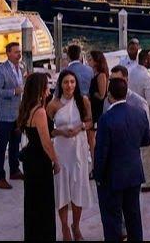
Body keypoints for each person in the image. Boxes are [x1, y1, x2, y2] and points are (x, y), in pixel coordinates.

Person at [94, 76, 150, 242]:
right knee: (134, 217)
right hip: (133, 173)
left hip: (113, 177)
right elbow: (146, 140)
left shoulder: (106, 119)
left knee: (113, 219)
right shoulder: (139, 113)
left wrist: (98, 175)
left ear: (109, 95)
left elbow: (101, 151)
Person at [48, 70, 93, 241]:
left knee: (77, 187)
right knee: (61, 187)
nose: (69, 86)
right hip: (61, 148)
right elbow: (47, 130)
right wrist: (60, 131)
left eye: (72, 82)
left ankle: (76, 225)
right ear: (60, 84)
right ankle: (64, 226)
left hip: (78, 149)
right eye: (66, 82)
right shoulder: (53, 105)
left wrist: (80, 127)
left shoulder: (83, 101)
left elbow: (90, 121)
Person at [18, 72, 59, 240]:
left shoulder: (26, 108)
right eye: (47, 86)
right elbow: (46, 142)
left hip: (30, 158)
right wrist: (56, 161)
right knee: (44, 202)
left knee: (32, 200)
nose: (49, 89)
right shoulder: (40, 112)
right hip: (39, 160)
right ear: (40, 89)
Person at [128, 47, 150, 192]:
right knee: (148, 152)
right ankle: (147, 181)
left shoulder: (131, 72)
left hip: (132, 117)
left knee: (137, 151)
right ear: (146, 59)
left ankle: (137, 177)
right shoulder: (146, 77)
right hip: (147, 120)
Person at [0, 42, 24, 189]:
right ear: (8, 54)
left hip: (17, 114)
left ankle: (15, 170)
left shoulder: (21, 69)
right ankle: (0, 176)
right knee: (1, 146)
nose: (19, 54)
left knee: (15, 144)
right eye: (16, 52)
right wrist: (13, 92)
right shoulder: (1, 71)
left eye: (19, 51)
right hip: (4, 115)